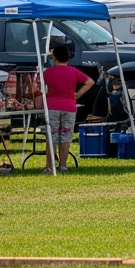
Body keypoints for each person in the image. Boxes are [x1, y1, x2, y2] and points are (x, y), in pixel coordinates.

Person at [42, 45, 93, 174]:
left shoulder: (47, 72)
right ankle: (63, 165)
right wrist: (77, 95)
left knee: (52, 136)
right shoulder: (73, 71)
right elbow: (90, 82)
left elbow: (40, 88)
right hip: (69, 106)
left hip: (52, 105)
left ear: (55, 57)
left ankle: (49, 166)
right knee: (66, 136)